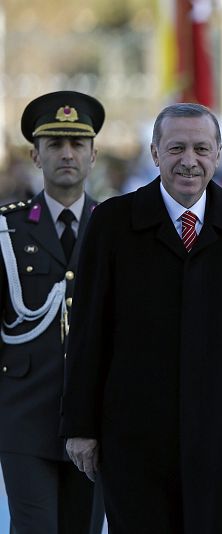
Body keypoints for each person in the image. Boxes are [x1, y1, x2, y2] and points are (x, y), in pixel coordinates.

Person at [59, 103, 222, 534]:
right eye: (177, 148)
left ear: (218, 153)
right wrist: (80, 425)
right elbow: (88, 333)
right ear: (155, 153)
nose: (190, 160)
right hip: (134, 439)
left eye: (202, 148)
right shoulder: (113, 223)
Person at [0, 90, 105, 534]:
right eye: (55, 144)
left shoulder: (115, 228)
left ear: (93, 154)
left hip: (97, 417)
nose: (67, 154)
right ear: (35, 155)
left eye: (77, 144)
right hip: (24, 414)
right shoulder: (7, 228)